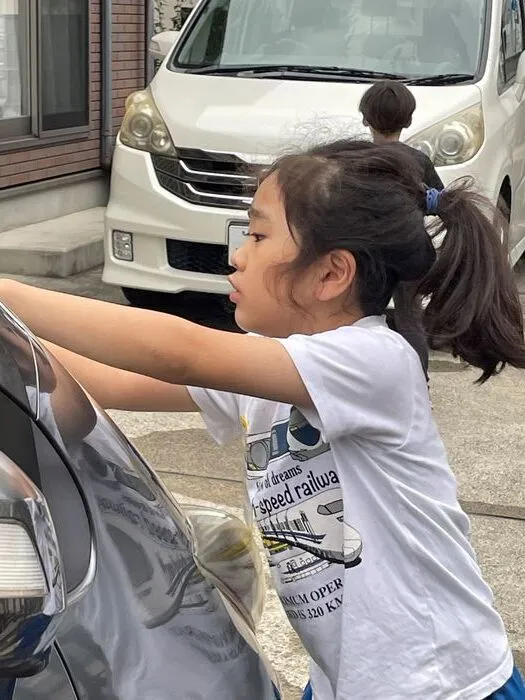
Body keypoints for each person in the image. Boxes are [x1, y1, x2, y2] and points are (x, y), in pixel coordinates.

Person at [1, 139, 525, 700]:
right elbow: (106, 381)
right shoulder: (271, 370)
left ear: (331, 274)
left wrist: (6, 292)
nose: (237, 255)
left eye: (256, 234)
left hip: (443, 686)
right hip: (345, 682)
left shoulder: (375, 362)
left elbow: (180, 350)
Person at [359, 79, 444, 380]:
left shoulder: (357, 160)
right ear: (408, 121)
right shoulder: (418, 160)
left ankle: (365, 380)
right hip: (412, 250)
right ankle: (419, 384)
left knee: (363, 318)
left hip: (370, 254)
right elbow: (438, 200)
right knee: (410, 319)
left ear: (365, 118)